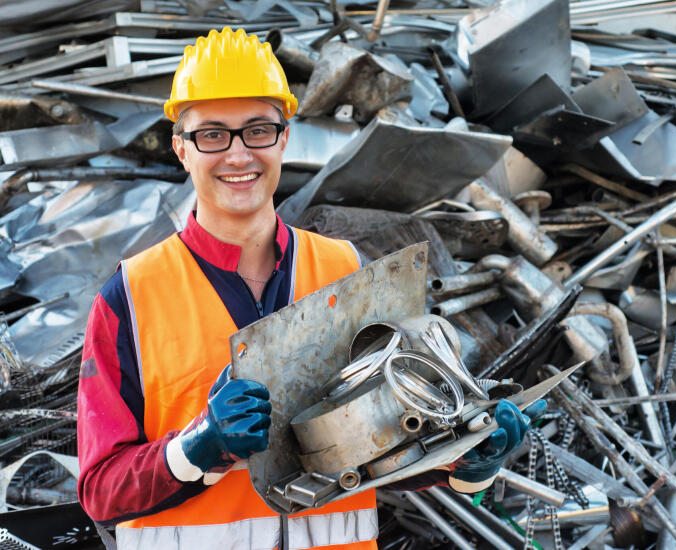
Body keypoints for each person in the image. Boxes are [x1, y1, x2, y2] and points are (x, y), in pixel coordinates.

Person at [76, 27, 539, 550]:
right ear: (182, 149)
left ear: (284, 138)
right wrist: (199, 447)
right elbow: (100, 491)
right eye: (212, 134)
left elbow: (387, 447)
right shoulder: (131, 297)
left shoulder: (345, 270)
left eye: (257, 130)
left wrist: (469, 458)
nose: (237, 155)